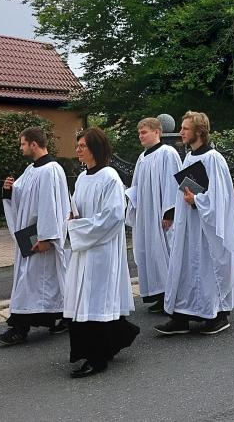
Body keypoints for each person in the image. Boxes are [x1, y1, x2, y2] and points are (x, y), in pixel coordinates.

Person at [157, 111, 234, 335]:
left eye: (186, 128)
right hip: (189, 225)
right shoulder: (189, 157)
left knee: (206, 267)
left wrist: (197, 200)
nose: (181, 132)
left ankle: (217, 315)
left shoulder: (213, 159)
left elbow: (220, 198)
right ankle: (182, 316)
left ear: (199, 131)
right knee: (186, 266)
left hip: (207, 229)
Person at [64, 128, 139, 378]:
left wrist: (78, 227)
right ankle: (111, 340)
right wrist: (73, 219)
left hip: (101, 251)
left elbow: (113, 216)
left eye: (82, 146)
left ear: (95, 148)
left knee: (95, 302)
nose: (78, 150)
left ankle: (98, 358)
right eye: (77, 146)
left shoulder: (110, 178)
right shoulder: (83, 178)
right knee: (83, 300)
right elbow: (77, 209)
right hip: (85, 248)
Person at [0, 127, 71, 345]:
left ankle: (19, 328)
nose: (21, 148)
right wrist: (9, 190)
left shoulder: (51, 169)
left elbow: (51, 205)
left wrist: (46, 237)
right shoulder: (31, 169)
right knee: (36, 281)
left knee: (34, 281)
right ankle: (64, 316)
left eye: (22, 144)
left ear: (34, 144)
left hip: (41, 236)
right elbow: (21, 195)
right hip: (30, 234)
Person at [125, 118, 183, 313]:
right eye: (139, 132)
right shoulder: (143, 157)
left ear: (157, 132)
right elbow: (137, 185)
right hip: (146, 215)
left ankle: (172, 295)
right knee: (149, 253)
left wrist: (169, 212)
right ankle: (159, 295)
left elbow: (173, 184)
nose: (140, 136)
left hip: (161, 215)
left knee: (164, 253)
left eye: (144, 132)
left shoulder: (168, 153)